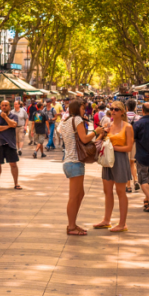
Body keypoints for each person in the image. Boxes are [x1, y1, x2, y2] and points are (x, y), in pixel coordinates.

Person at [93, 101, 134, 233]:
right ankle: (106, 220)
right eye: (112, 109)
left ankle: (122, 223)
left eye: (116, 109)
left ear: (122, 112)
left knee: (121, 191)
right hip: (107, 160)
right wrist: (102, 133)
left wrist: (111, 148)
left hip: (120, 160)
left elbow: (129, 147)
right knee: (107, 190)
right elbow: (98, 141)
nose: (113, 111)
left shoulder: (127, 127)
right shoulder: (108, 125)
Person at [58, 99, 98, 235]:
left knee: (80, 194)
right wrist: (97, 132)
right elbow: (85, 139)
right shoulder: (77, 120)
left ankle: (73, 224)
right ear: (77, 108)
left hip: (70, 161)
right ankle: (71, 226)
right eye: (83, 108)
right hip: (74, 161)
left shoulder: (65, 122)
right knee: (74, 196)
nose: (84, 110)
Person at [0, 100, 21, 189]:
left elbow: (14, 124)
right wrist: (8, 126)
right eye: (2, 105)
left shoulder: (14, 116)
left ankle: (16, 183)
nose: (4, 107)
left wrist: (6, 118)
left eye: (6, 105)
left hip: (10, 144)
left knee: (13, 164)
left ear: (9, 106)